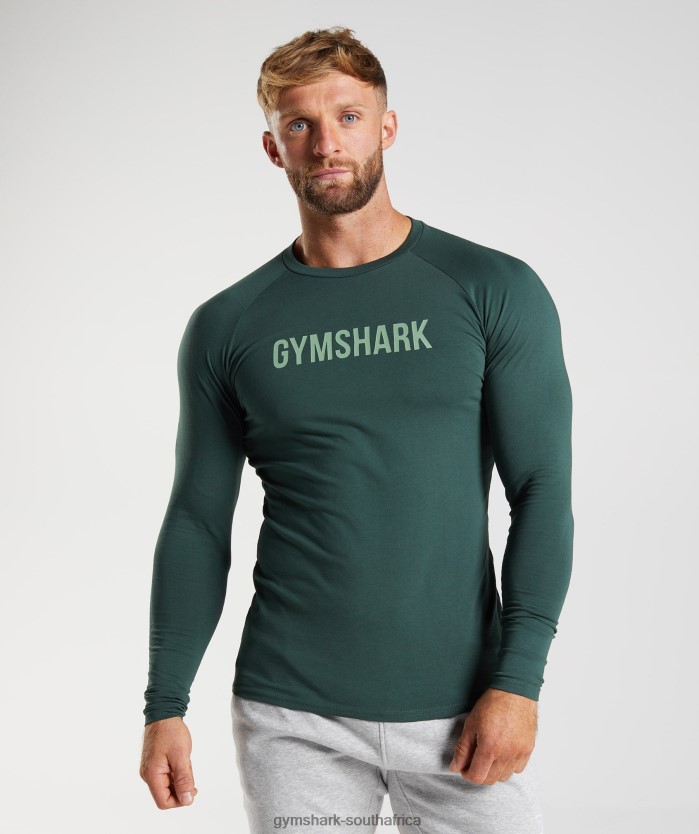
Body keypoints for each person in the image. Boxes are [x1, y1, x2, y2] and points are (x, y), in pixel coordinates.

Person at [139, 25, 573, 834]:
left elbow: (541, 491)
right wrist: (165, 703)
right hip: (290, 711)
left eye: (347, 116)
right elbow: (197, 518)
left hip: (461, 708)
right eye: (298, 124)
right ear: (272, 147)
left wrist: (518, 683)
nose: (325, 143)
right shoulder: (228, 325)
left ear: (386, 127)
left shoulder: (490, 288)